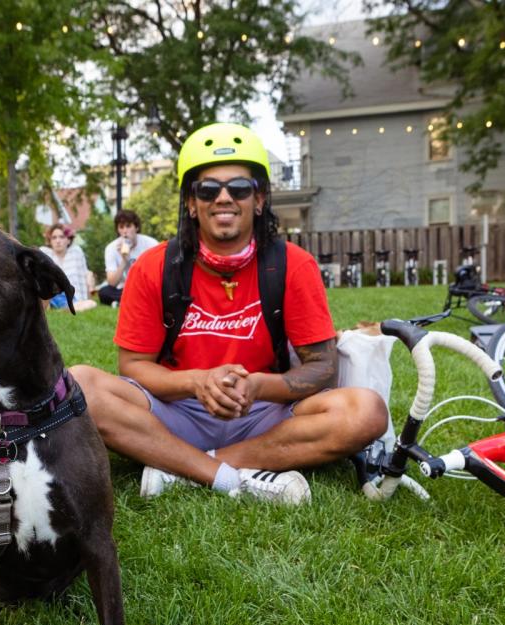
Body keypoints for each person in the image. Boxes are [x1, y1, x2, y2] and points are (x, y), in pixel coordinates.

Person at [70, 122, 390, 505]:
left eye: (239, 187)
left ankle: (187, 469)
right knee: (79, 386)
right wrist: (196, 382)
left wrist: (256, 386)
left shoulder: (294, 265)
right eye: (208, 189)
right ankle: (224, 475)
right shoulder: (154, 266)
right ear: (191, 202)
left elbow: (323, 368)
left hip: (264, 415)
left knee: (366, 412)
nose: (224, 198)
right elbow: (133, 365)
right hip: (176, 412)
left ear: (259, 200)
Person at [100, 209, 158, 306]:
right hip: (124, 289)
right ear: (118, 230)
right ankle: (136, 300)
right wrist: (124, 260)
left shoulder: (151, 244)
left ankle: (125, 301)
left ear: (136, 227)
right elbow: (112, 282)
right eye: (121, 227)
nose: (125, 231)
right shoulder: (111, 248)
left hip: (145, 286)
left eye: (128, 226)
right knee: (104, 292)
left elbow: (159, 274)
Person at [40, 223, 96, 311]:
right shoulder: (45, 253)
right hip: (52, 295)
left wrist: (90, 285)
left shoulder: (76, 252)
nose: (58, 241)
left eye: (61, 237)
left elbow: (84, 277)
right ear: (50, 241)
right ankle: (62, 308)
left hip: (72, 297)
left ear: (68, 240)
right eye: (54, 237)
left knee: (91, 304)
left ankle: (66, 308)